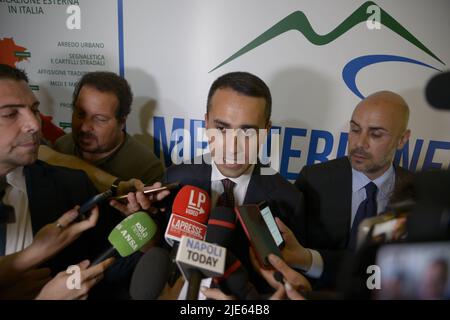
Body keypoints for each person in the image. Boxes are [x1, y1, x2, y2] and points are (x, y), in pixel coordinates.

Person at [0, 64, 159, 299]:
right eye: (10, 114)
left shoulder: (73, 187)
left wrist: (149, 242)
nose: (34, 125)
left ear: (122, 121)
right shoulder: (59, 151)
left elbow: (113, 271)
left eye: (34, 109)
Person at [162, 71, 305, 293]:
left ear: (266, 131)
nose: (232, 147)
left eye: (247, 131)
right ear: (206, 123)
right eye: (221, 129)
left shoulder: (287, 199)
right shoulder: (175, 179)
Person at [294, 91, 413, 289]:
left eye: (375, 134)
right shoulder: (313, 180)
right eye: (355, 129)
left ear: (402, 139)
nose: (359, 143)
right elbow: (293, 258)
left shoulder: (418, 194)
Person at [54, 71, 164, 185]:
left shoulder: (146, 169)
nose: (85, 127)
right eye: (80, 114)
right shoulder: (61, 147)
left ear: (122, 122)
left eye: (99, 119)